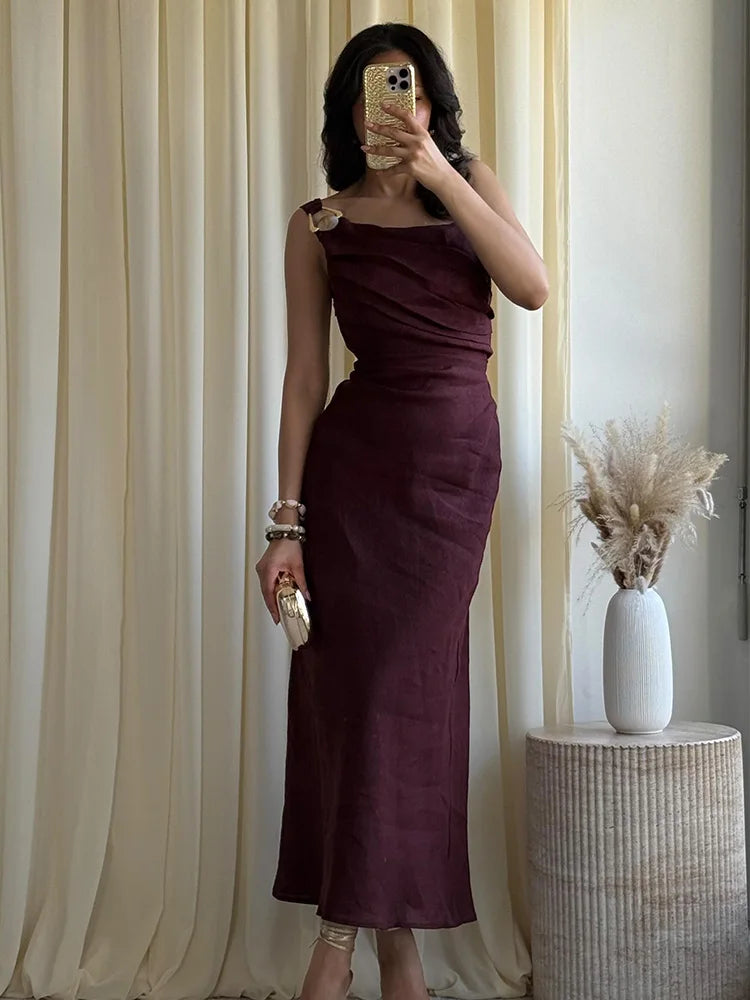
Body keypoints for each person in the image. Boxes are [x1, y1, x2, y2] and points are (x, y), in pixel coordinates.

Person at [254, 20, 548, 1000]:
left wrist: (445, 172)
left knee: (402, 698)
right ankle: (400, 952)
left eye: (412, 90)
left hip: (452, 476)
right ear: (350, 109)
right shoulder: (319, 224)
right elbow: (303, 379)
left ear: (433, 103)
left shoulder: (473, 184)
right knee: (352, 702)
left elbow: (534, 285)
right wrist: (285, 526)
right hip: (354, 479)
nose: (396, 106)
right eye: (378, 91)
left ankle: (338, 936)